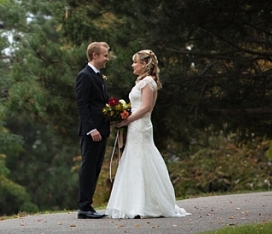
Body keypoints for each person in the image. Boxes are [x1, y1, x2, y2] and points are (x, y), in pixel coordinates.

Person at [105, 50, 190, 219]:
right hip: (135, 125)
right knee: (134, 159)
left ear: (144, 64)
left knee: (142, 158)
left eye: (135, 62)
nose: (133, 65)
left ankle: (143, 204)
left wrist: (127, 119)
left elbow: (146, 108)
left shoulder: (148, 82)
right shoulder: (142, 82)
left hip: (141, 126)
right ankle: (134, 203)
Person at [76, 42, 111, 219]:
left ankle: (88, 206)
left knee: (95, 168)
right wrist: (91, 129)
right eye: (105, 55)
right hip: (92, 131)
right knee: (88, 167)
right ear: (95, 56)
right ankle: (84, 207)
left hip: (101, 129)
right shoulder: (85, 76)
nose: (107, 58)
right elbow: (82, 105)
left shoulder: (98, 75)